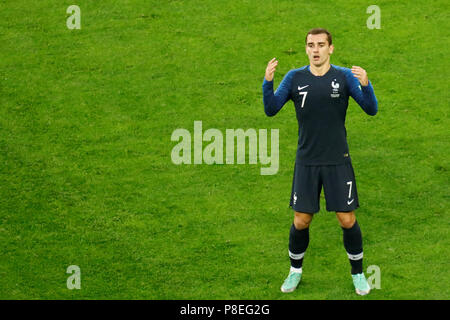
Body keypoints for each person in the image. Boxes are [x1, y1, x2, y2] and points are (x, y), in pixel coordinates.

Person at [262, 28, 378, 296]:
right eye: (311, 45)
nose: (316, 50)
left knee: (346, 219)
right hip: (307, 161)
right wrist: (268, 82)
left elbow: (371, 109)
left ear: (331, 48)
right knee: (301, 220)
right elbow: (271, 109)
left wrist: (366, 84)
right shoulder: (294, 78)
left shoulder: (344, 77)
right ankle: (294, 271)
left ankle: (358, 274)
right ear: (306, 49)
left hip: (338, 160)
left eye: (321, 45)